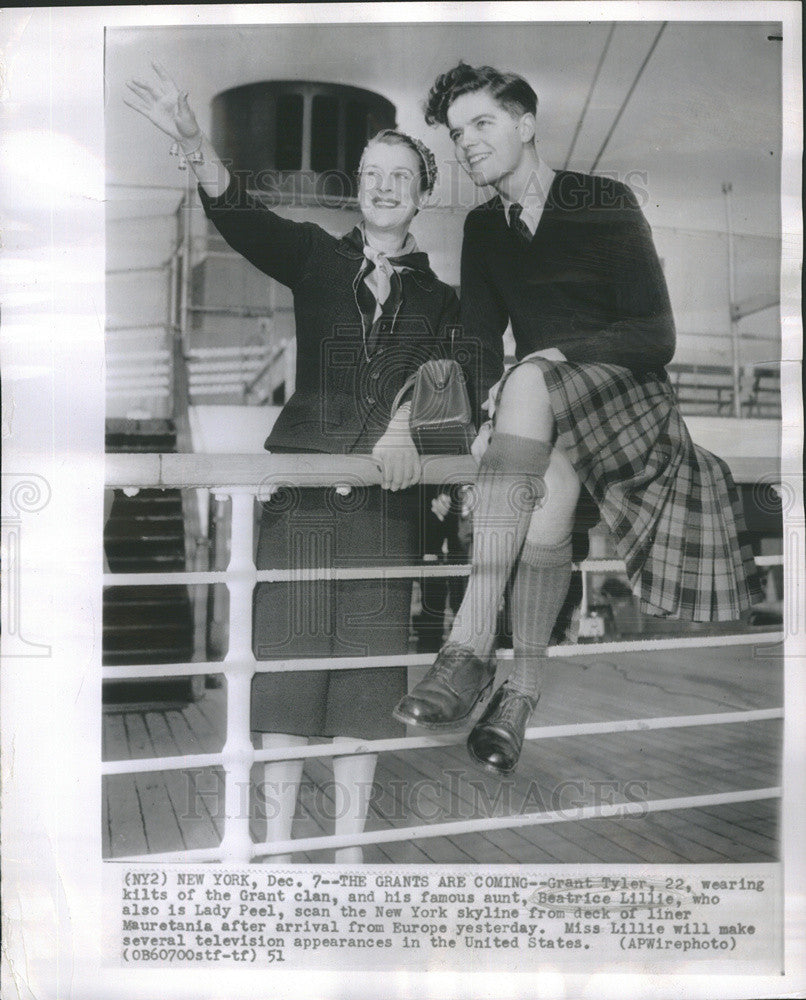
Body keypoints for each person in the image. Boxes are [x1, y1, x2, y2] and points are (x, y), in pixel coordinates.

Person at [125, 63, 464, 862]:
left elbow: (455, 381)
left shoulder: (442, 300)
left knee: (368, 688)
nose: (384, 188)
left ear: (420, 196)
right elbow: (243, 217)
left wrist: (409, 424)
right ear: (359, 190)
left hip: (386, 510)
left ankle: (347, 856)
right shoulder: (317, 259)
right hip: (304, 508)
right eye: (372, 175)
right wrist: (193, 142)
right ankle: (275, 850)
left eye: (400, 178)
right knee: (286, 680)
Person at [394, 62, 762, 775]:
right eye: (456, 132)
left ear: (526, 123)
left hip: (629, 402)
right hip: (550, 425)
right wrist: (461, 415)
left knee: (530, 376)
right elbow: (475, 343)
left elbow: (657, 336)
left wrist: (547, 358)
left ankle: (468, 650)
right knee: (550, 492)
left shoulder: (603, 201)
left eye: (482, 124)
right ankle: (519, 694)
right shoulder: (484, 228)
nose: (466, 143)